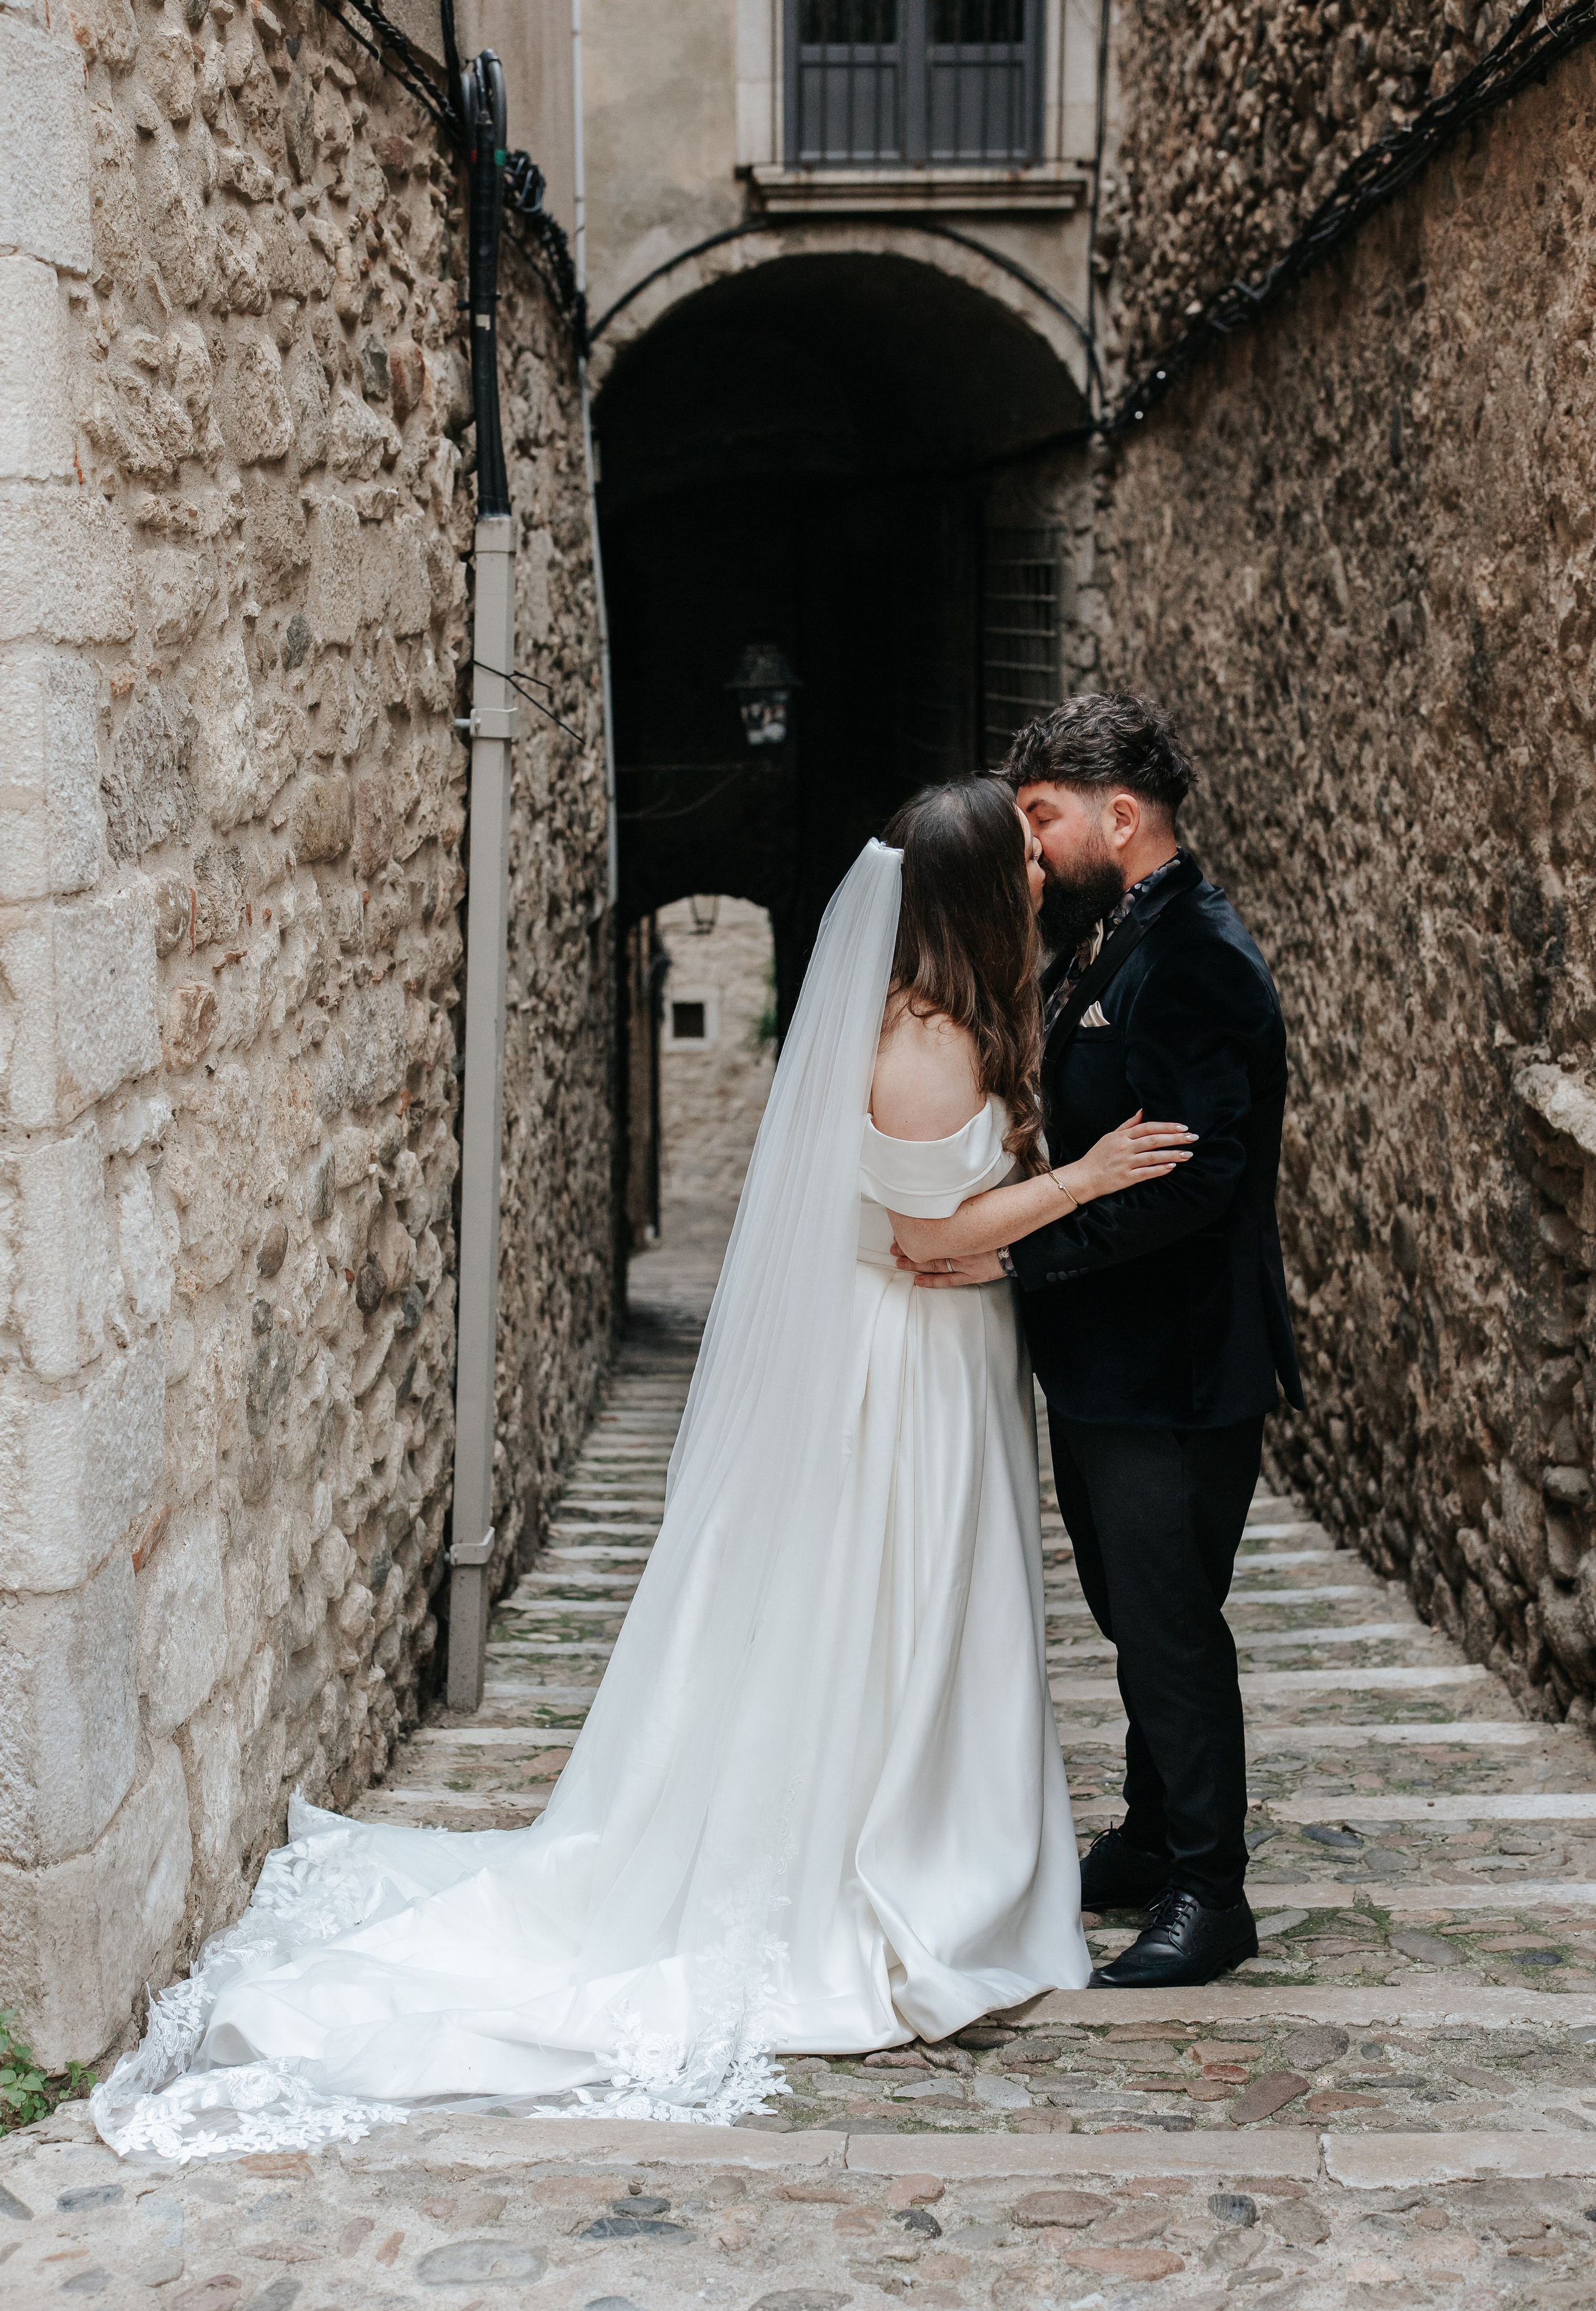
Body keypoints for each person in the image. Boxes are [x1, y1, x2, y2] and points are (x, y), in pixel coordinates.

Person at [93, 776, 1191, 2159]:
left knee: (923, 1616)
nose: (1043, 868)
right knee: (885, 1610)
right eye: (1021, 855)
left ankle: (944, 1841)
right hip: (898, 1368)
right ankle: (892, 1867)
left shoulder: (966, 1010)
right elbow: (923, 1244)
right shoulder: (918, 1045)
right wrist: (1084, 1181)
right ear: (974, 893)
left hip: (940, 1349)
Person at [908, 697, 1302, 1990]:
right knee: (1131, 1615)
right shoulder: (1105, 941)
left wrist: (1027, 1250)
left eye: (1040, 822)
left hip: (1175, 1369)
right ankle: (1146, 1835)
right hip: (1106, 1367)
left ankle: (1209, 1889)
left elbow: (1193, 1180)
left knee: (1170, 1623)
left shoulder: (1197, 956)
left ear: (1116, 819)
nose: (1029, 850)